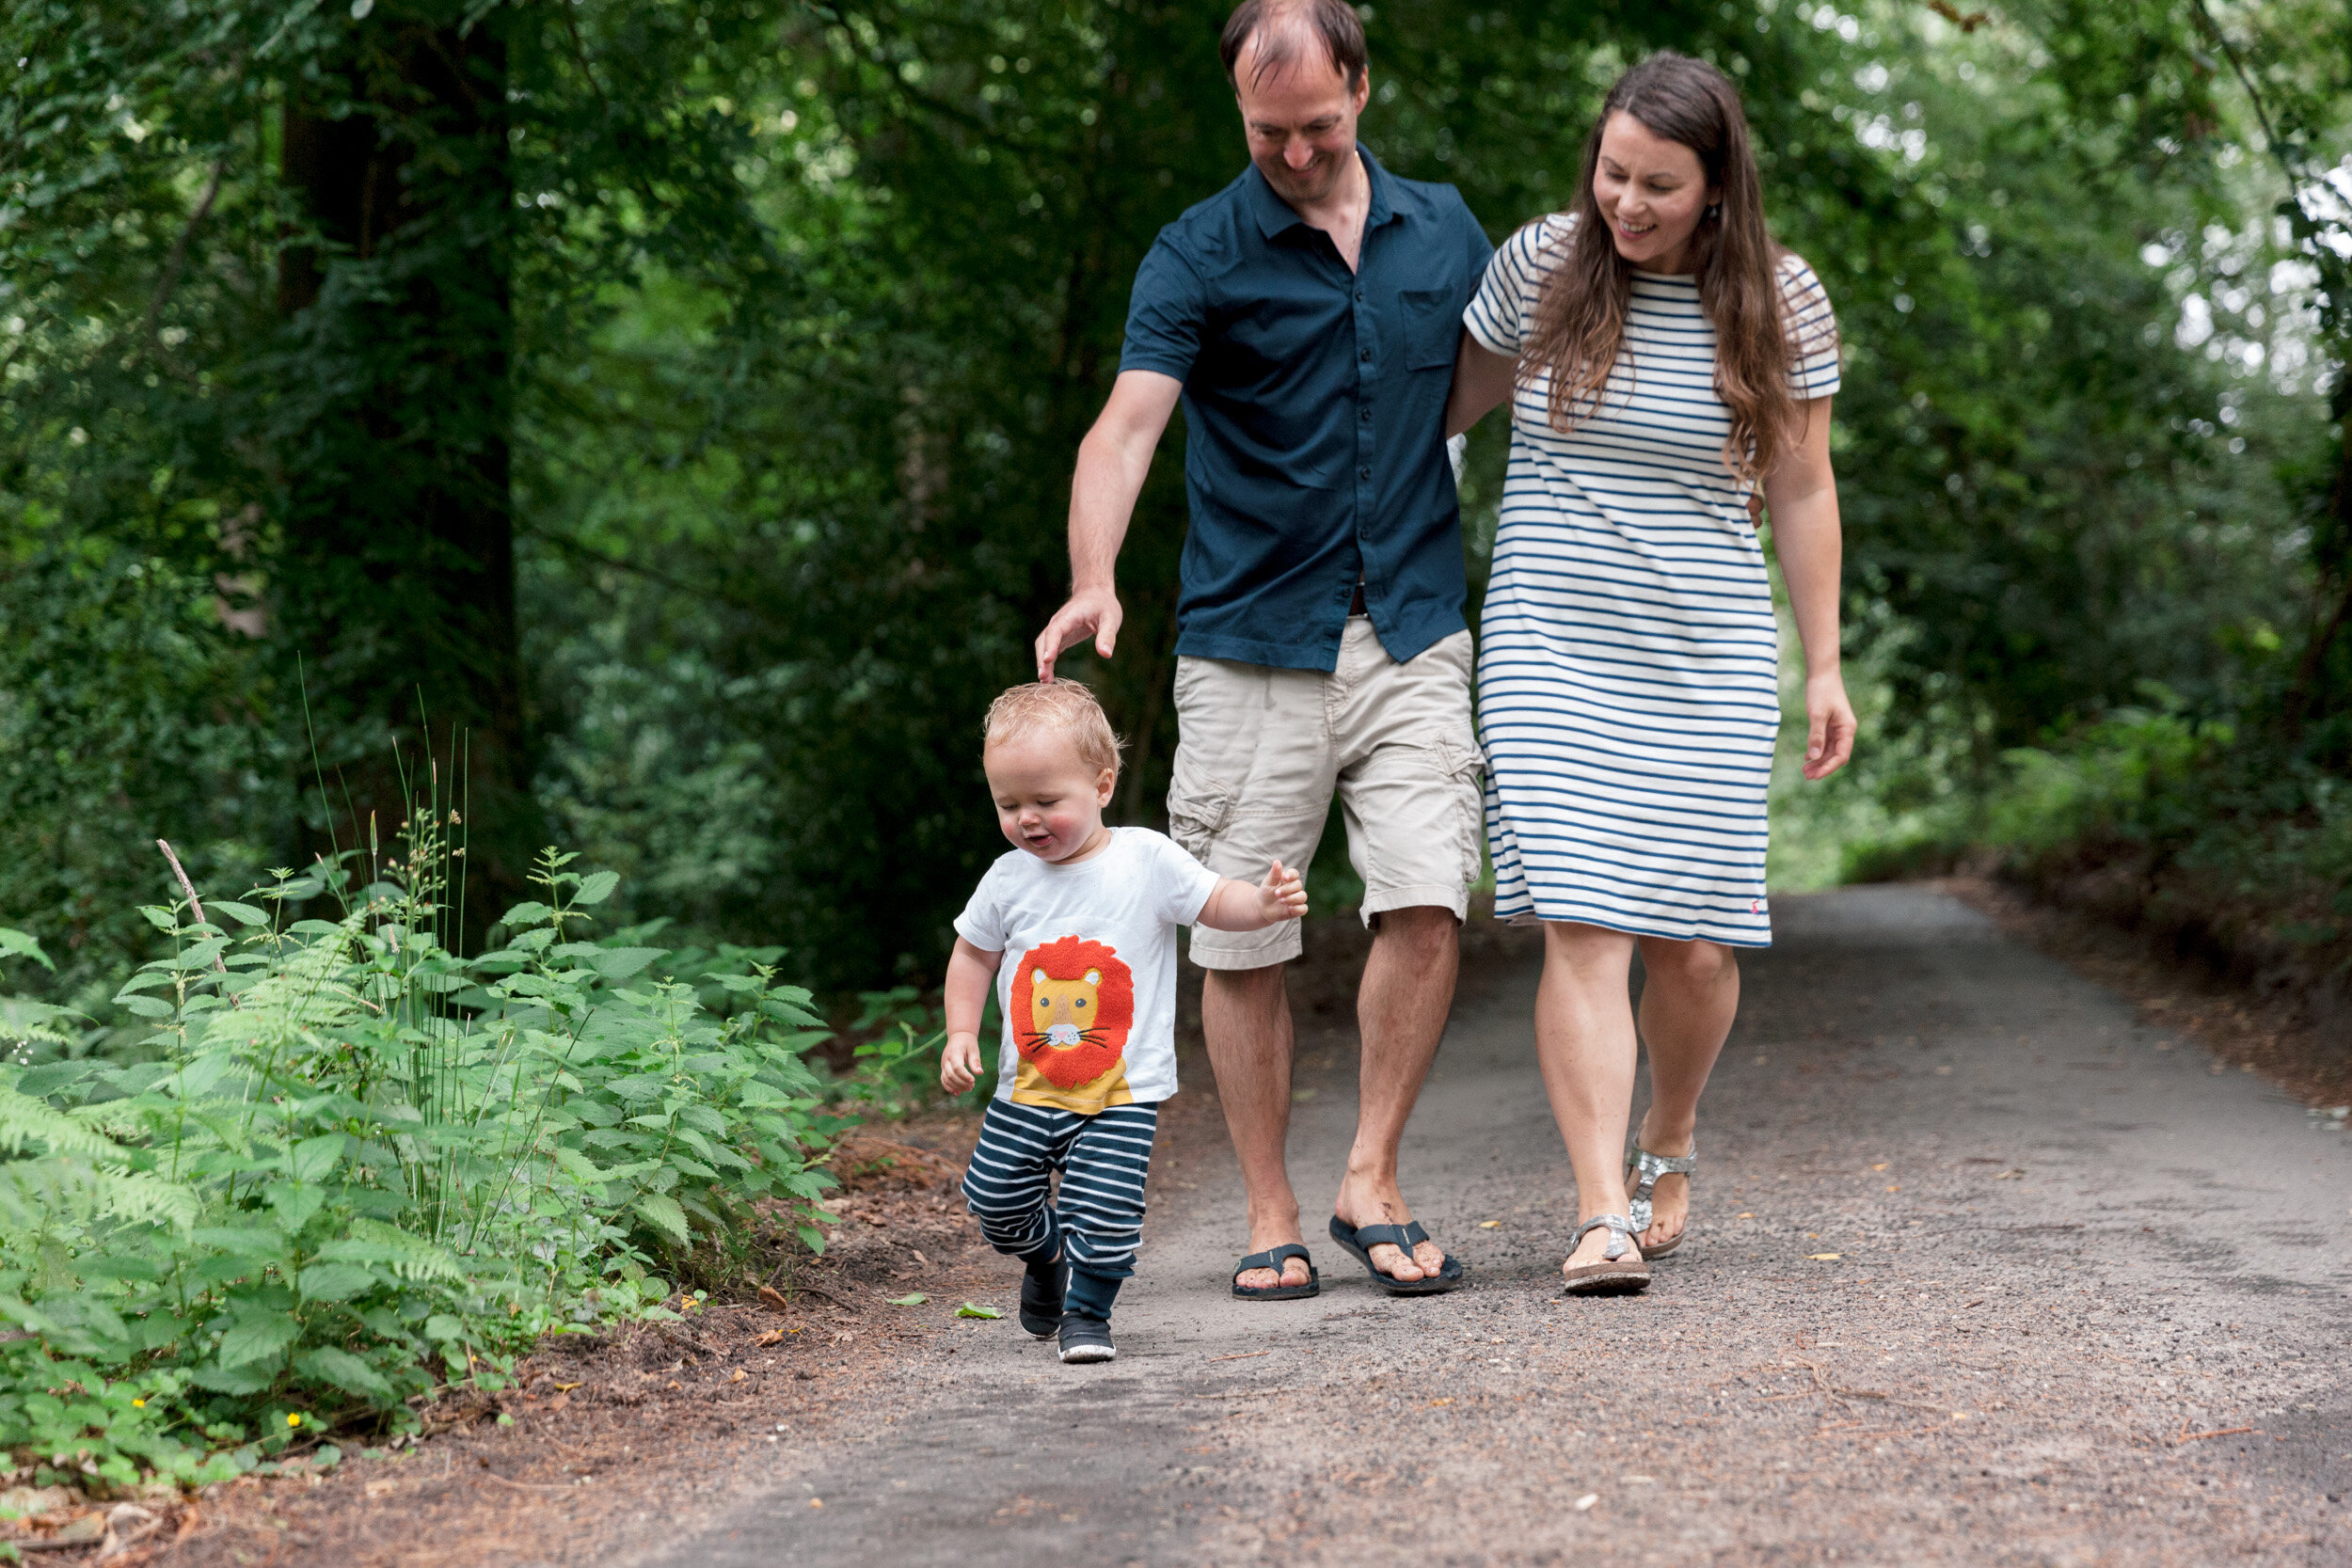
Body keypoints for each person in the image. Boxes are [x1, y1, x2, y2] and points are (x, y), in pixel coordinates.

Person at [1031, 0, 1493, 1299]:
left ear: (1364, 90)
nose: (1292, 154)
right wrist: (1093, 577)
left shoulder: (1443, 229)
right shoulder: (1197, 253)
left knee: (1427, 896)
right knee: (1241, 940)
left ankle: (1371, 1174)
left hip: (1410, 626)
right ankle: (1270, 1203)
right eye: (1266, 129)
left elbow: (1540, 350)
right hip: (1247, 648)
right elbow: (1123, 432)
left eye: (1319, 127)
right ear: (1239, 105)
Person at [1442, 52, 1854, 1295]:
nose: (1625, 203)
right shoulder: (1539, 266)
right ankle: (1599, 1211)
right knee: (1585, 923)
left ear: (1719, 189)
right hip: (1548, 642)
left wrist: (1824, 665)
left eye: (1659, 186)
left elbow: (1803, 486)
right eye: (1612, 173)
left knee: (1693, 946)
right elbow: (1435, 420)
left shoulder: (1780, 300)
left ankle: (1667, 1136)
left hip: (1709, 651)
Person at [941, 681, 1308, 1362]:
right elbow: (972, 954)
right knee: (992, 1198)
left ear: (1102, 785)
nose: (1027, 818)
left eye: (1047, 801)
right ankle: (1048, 1258)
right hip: (1026, 1087)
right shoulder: (1006, 878)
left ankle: (1087, 1313)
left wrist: (1259, 903)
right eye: (1008, 803)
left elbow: (1213, 899)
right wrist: (962, 1031)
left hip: (1121, 1091)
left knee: (1105, 1216)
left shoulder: (1144, 858)